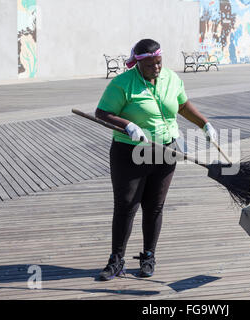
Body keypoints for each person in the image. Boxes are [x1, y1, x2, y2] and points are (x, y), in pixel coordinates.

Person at [95, 39, 218, 280]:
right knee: (126, 206)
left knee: (155, 206)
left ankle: (149, 256)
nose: (157, 68)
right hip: (130, 151)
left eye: (159, 63)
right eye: (151, 65)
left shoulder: (171, 78)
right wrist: (127, 124)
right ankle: (116, 260)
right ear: (139, 64)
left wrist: (205, 123)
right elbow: (102, 113)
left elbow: (182, 106)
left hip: (165, 150)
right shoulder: (123, 83)